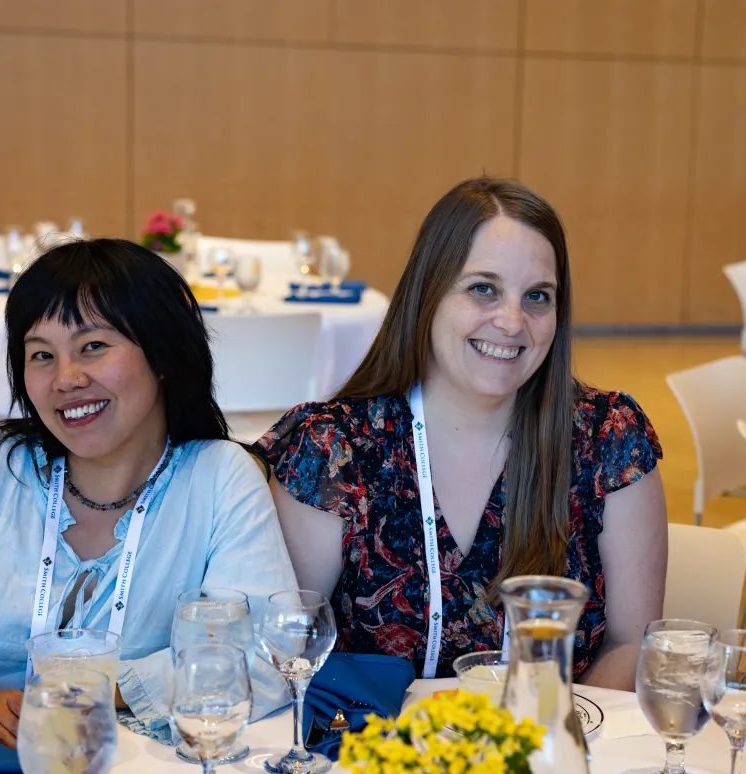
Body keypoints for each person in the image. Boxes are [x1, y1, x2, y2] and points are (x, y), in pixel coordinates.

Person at [0, 239, 298, 760]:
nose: (66, 379)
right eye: (41, 355)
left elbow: (264, 650)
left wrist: (94, 692)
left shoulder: (216, 478)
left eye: (93, 347)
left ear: (164, 353)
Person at [258, 177, 667, 691]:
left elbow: (630, 644)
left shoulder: (607, 441)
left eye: (537, 297)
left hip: (543, 755)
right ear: (429, 293)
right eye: (483, 289)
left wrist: (545, 745)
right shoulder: (333, 451)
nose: (513, 322)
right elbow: (290, 648)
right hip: (369, 757)